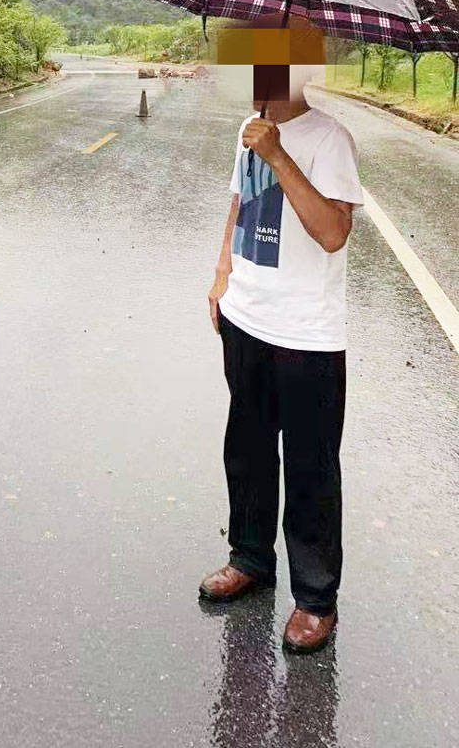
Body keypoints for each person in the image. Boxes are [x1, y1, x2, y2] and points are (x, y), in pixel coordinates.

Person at [201, 35, 364, 654]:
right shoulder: (249, 128)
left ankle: (316, 599)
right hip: (246, 317)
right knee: (244, 447)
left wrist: (279, 156)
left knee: (311, 466)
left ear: (298, 70)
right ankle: (249, 557)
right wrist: (220, 277)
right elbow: (239, 207)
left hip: (307, 334)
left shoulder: (330, 139)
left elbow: (332, 234)